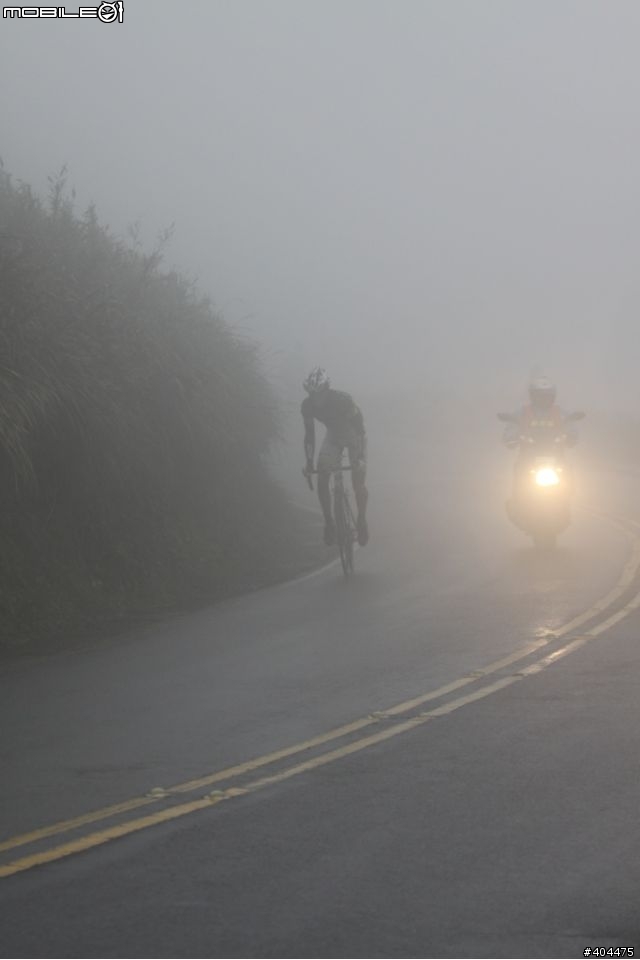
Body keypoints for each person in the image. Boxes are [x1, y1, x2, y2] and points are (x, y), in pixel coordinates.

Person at [301, 367, 369, 547]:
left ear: (327, 389)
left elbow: (360, 429)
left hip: (354, 434)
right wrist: (309, 463)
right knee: (322, 475)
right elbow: (309, 435)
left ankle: (361, 520)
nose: (316, 400)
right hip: (333, 435)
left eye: (319, 394)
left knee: (358, 482)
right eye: (312, 395)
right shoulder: (307, 406)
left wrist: (360, 457)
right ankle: (329, 523)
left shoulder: (343, 400)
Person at [502, 376, 579, 496]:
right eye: (540, 395)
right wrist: (512, 438)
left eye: (547, 395)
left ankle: (565, 498)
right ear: (532, 396)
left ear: (553, 396)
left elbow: (571, 427)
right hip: (527, 457)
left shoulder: (561, 413)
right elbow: (510, 430)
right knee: (520, 471)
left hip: (556, 455)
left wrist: (571, 437)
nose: (544, 399)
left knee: (566, 471)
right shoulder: (522, 412)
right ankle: (517, 502)